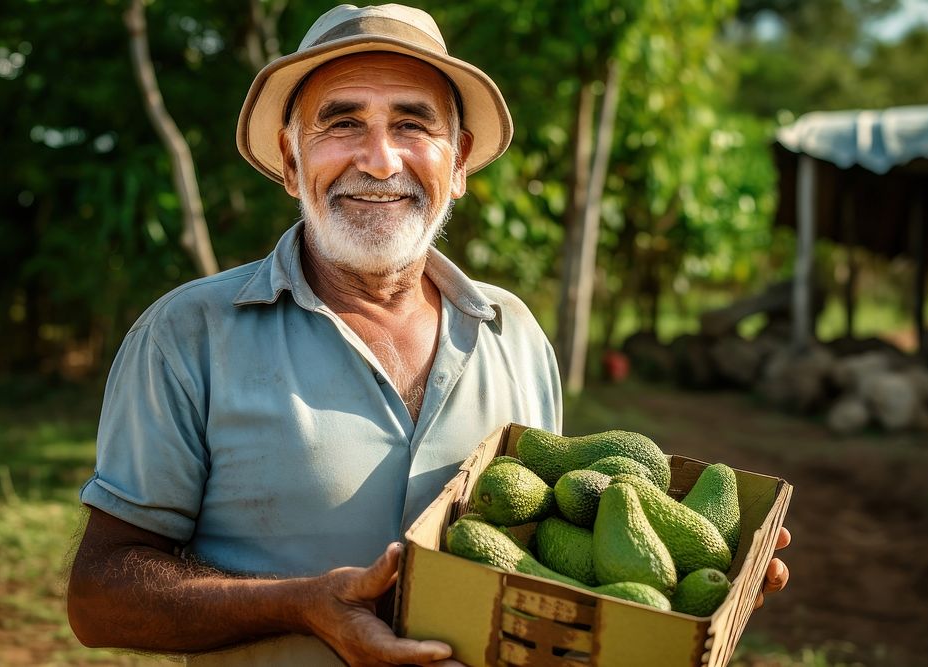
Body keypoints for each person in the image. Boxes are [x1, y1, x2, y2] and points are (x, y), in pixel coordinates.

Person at [67, 4, 789, 666]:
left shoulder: (516, 335)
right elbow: (100, 594)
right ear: (291, 163)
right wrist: (301, 605)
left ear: (460, 162)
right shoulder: (187, 334)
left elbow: (553, 567)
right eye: (342, 122)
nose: (380, 160)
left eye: (413, 124)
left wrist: (704, 591)